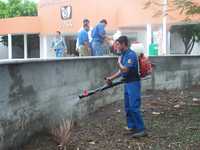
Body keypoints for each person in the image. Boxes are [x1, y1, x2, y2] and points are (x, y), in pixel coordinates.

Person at [105, 36, 147, 138]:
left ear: (124, 44)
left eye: (118, 44)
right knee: (128, 107)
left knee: (134, 107)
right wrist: (111, 78)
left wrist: (119, 62)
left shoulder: (131, 55)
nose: (117, 46)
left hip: (133, 84)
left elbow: (124, 70)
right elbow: (121, 71)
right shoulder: (123, 55)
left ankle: (141, 129)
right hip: (127, 83)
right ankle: (132, 127)